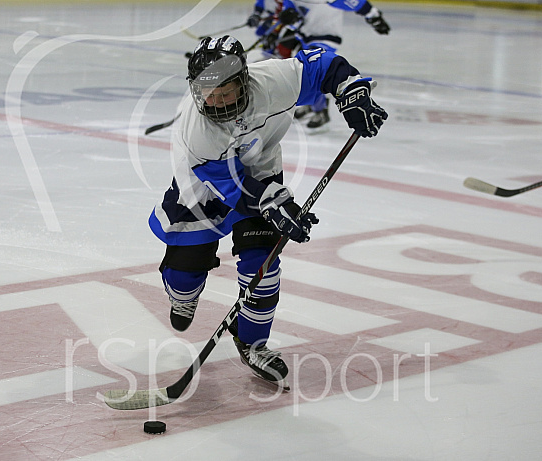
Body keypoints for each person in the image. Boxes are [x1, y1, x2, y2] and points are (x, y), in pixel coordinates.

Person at [148, 35, 387, 389]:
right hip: (202, 191)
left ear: (244, 80)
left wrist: (352, 92)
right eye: (206, 92)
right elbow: (230, 184)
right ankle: (182, 294)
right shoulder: (196, 129)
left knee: (263, 266)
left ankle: (252, 341)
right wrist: (275, 204)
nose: (214, 101)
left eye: (225, 91)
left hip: (261, 177)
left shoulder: (273, 81)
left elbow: (323, 65)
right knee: (185, 278)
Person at [247, 0, 390, 129]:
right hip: (304, 35)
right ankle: (311, 104)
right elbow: (293, 11)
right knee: (302, 69)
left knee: (314, 72)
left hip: (326, 35)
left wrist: (374, 17)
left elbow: (356, 3)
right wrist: (291, 20)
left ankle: (321, 111)